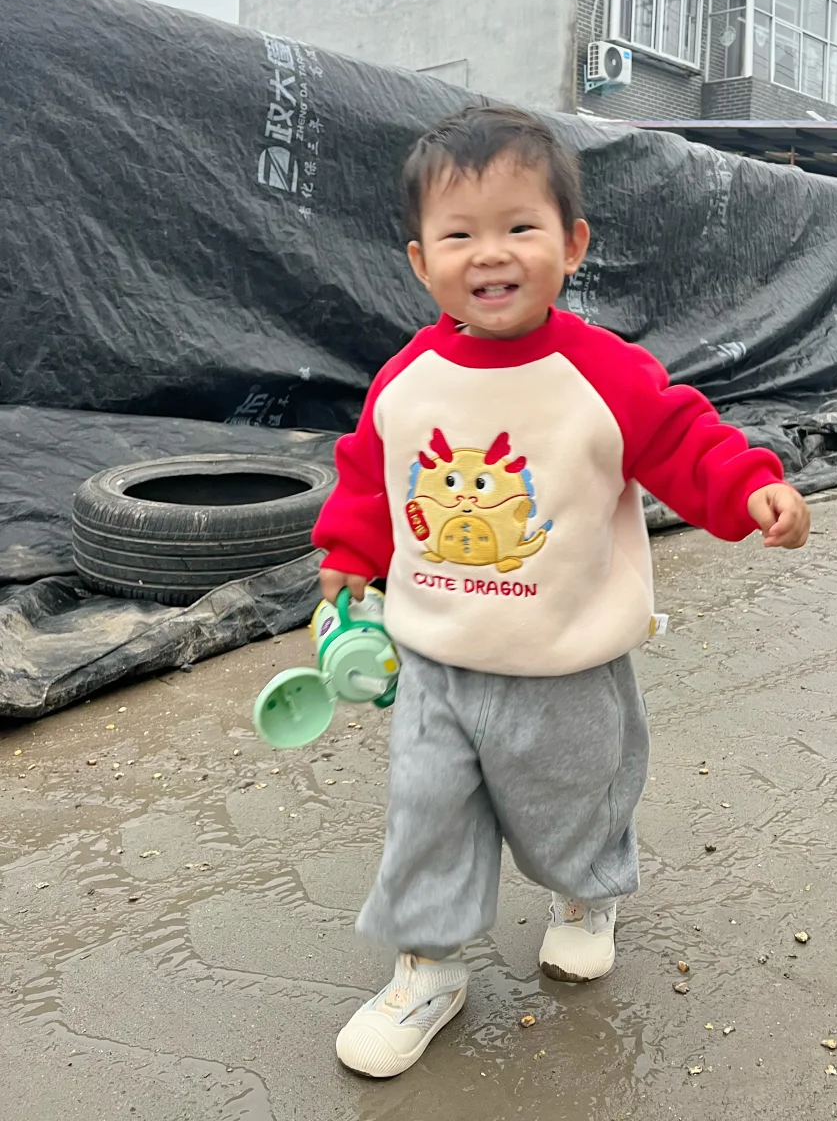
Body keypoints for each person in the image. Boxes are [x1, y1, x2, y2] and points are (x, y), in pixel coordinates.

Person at [312, 105, 810, 1079]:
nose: (489, 254)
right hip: (435, 656)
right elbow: (372, 476)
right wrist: (346, 556)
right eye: (460, 235)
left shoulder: (604, 373)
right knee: (429, 813)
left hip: (565, 656)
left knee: (574, 803)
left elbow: (683, 440)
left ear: (572, 243)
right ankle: (429, 964)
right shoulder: (405, 381)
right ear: (421, 263)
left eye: (519, 228)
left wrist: (751, 486)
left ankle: (586, 896)